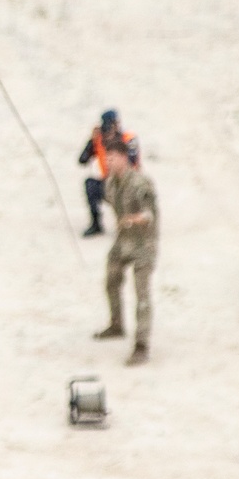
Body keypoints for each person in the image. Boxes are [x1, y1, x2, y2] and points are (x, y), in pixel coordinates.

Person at [93, 138, 158, 366]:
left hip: (143, 245)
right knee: (111, 280)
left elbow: (149, 214)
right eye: (106, 158)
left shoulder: (140, 184)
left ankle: (141, 344)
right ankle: (117, 324)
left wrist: (134, 219)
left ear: (123, 158)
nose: (108, 162)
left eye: (111, 158)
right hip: (123, 242)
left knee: (142, 295)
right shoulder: (112, 184)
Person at [78, 108, 139, 236]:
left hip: (129, 182)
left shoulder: (128, 139)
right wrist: (92, 141)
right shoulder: (99, 140)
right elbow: (82, 160)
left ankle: (130, 224)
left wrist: (114, 142)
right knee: (90, 184)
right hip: (109, 182)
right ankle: (96, 224)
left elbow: (131, 161)